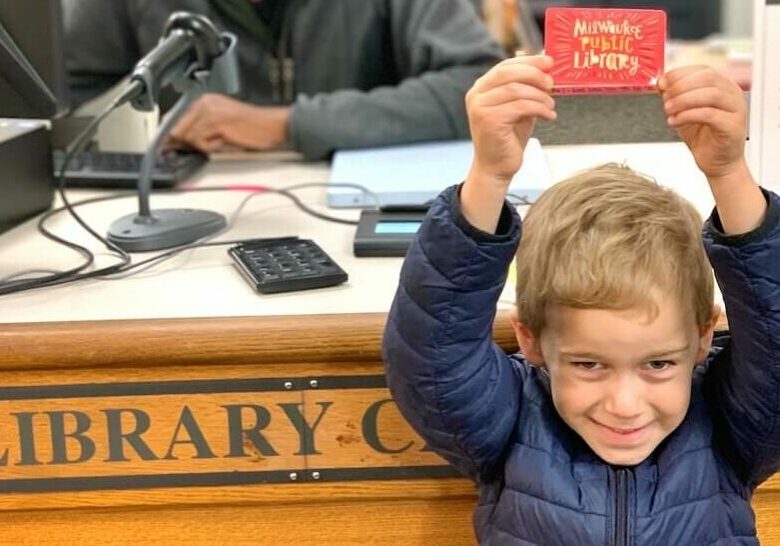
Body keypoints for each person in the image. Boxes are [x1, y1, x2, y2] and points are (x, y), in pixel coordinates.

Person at [382, 55, 780, 544]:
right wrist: (488, 174)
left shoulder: (730, 427)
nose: (625, 405)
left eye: (657, 364)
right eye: (589, 365)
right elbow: (430, 355)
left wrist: (729, 172)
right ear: (529, 338)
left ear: (702, 337)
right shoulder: (509, 422)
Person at [62, 0, 504, 160]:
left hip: (353, 216)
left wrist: (285, 124)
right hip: (172, 222)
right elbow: (60, 103)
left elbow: (476, 85)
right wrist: (141, 131)